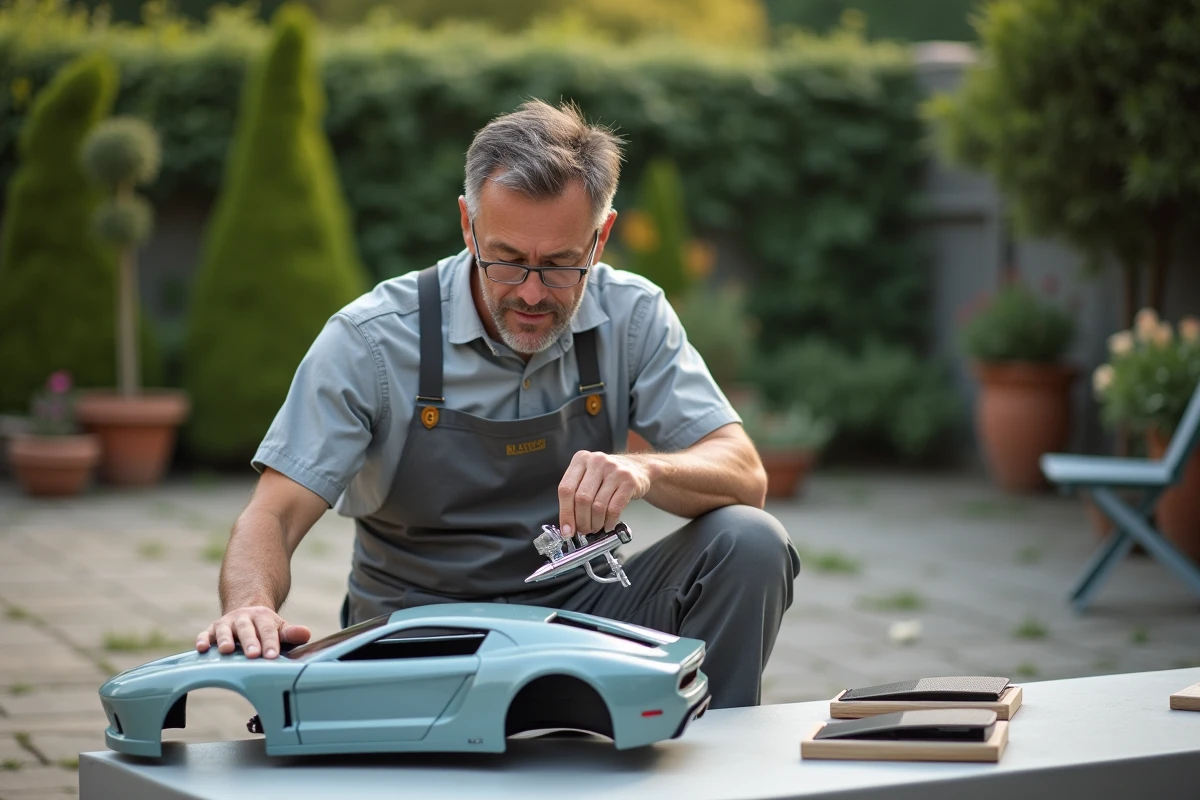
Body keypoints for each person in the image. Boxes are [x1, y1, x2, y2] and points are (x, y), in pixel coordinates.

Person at [195, 99, 801, 709]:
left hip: (584, 618)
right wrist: (250, 607)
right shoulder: (373, 340)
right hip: (420, 635)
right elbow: (272, 513)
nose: (533, 293)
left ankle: (711, 762)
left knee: (750, 541)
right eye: (507, 260)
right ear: (467, 224)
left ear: (601, 236)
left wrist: (646, 469)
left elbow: (744, 474)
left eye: (562, 264)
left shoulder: (633, 316)